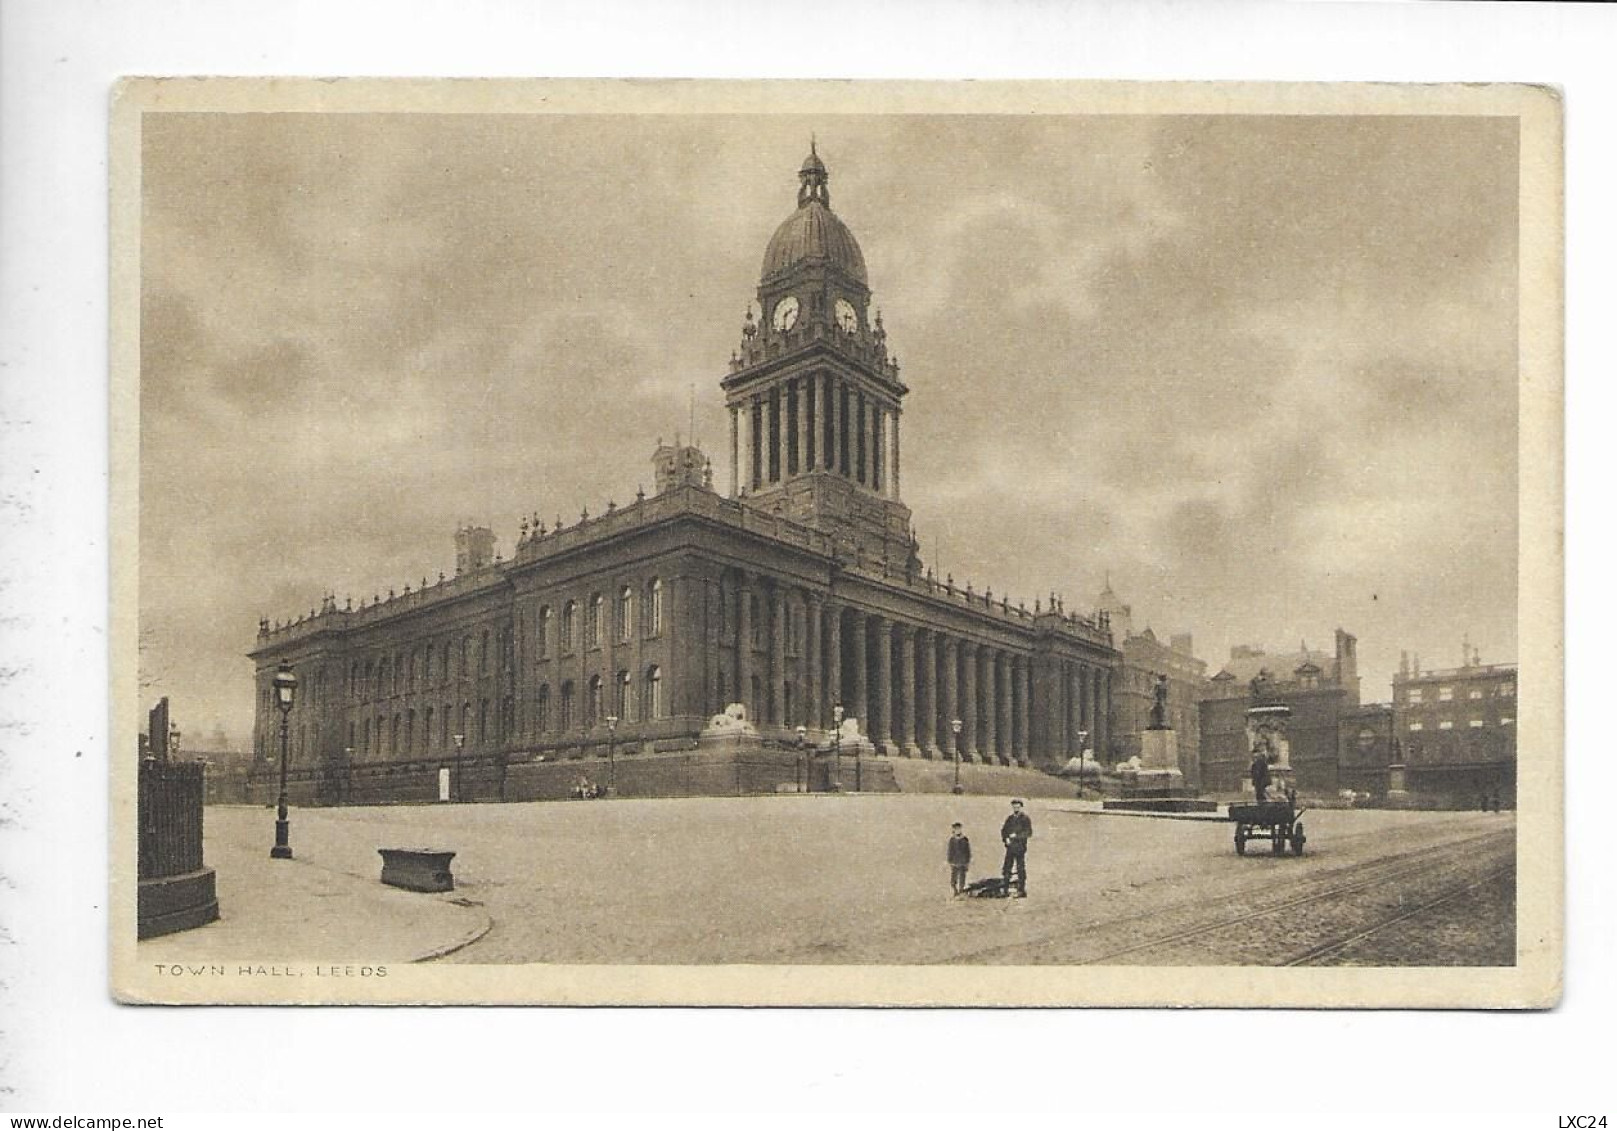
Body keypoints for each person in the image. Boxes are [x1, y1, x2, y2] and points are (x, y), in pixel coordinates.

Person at [1000, 799, 1032, 898]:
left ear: (1021, 807)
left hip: (1020, 848)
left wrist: (1016, 836)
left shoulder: (1025, 818)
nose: (1016, 808)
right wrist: (1006, 839)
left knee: (1020, 868)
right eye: (1014, 807)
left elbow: (1028, 833)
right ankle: (1004, 889)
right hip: (1010, 848)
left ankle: (1021, 890)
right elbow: (1004, 831)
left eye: (1018, 807)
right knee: (1007, 868)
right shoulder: (1010, 819)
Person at [947, 822, 972, 896]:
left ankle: (961, 891)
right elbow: (950, 851)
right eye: (956, 829)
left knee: (962, 878)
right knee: (953, 880)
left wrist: (967, 862)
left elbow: (968, 851)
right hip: (954, 862)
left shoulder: (964, 839)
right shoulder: (952, 840)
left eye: (959, 829)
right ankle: (955, 891)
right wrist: (950, 861)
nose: (958, 830)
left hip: (963, 862)